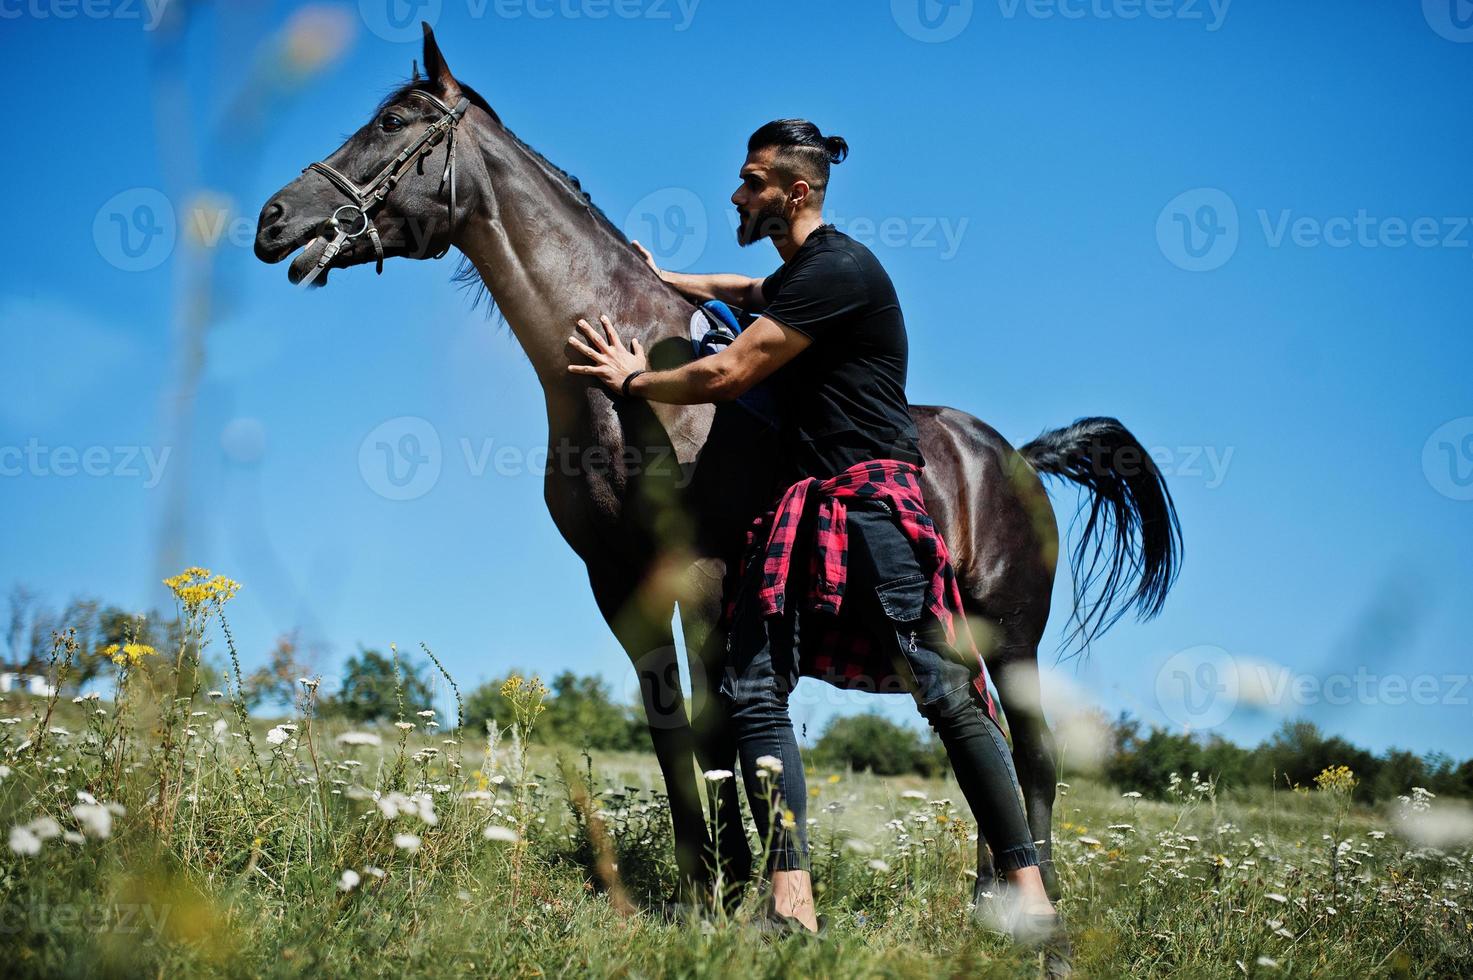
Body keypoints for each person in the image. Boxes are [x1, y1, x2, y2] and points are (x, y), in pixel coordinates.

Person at [566, 120, 1065, 958]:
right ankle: (790, 903)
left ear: (795, 192)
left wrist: (634, 379)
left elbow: (727, 372)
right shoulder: (803, 273)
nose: (736, 193)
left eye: (752, 181)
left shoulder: (840, 271)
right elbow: (746, 288)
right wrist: (666, 276)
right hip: (805, 506)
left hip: (875, 503)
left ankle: (1031, 896)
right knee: (752, 688)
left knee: (945, 694)